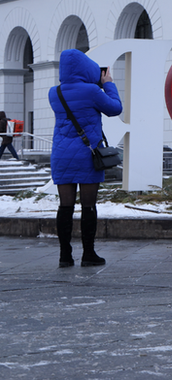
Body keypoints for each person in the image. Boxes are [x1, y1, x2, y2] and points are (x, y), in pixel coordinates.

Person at [49, 50, 123, 268]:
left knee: (65, 206)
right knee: (88, 206)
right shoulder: (92, 91)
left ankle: (65, 256)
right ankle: (88, 254)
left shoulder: (55, 92)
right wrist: (107, 83)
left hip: (61, 155)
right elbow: (114, 108)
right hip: (87, 154)